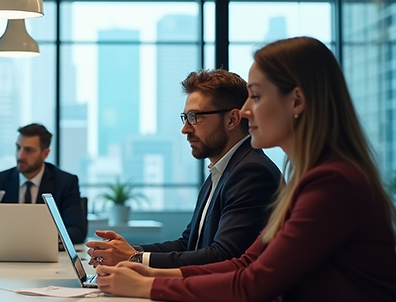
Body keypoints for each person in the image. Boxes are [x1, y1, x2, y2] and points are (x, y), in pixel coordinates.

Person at [96, 37, 396, 302]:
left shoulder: (333, 183)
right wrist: (146, 275)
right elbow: (245, 264)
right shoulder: (307, 178)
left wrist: (147, 287)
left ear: (297, 101)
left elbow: (253, 284)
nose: (246, 111)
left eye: (256, 97)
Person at [86, 69, 281, 269]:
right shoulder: (222, 171)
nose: (185, 129)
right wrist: (127, 252)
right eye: (185, 118)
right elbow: (189, 244)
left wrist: (133, 259)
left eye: (194, 117)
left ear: (232, 119)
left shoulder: (251, 172)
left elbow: (223, 257)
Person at [0, 123, 87, 246]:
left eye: (29, 150)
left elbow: (77, 231)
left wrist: (34, 240)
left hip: (48, 256)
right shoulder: (0, 180)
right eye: (18, 148)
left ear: (45, 153)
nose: (20, 156)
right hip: (6, 254)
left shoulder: (65, 182)